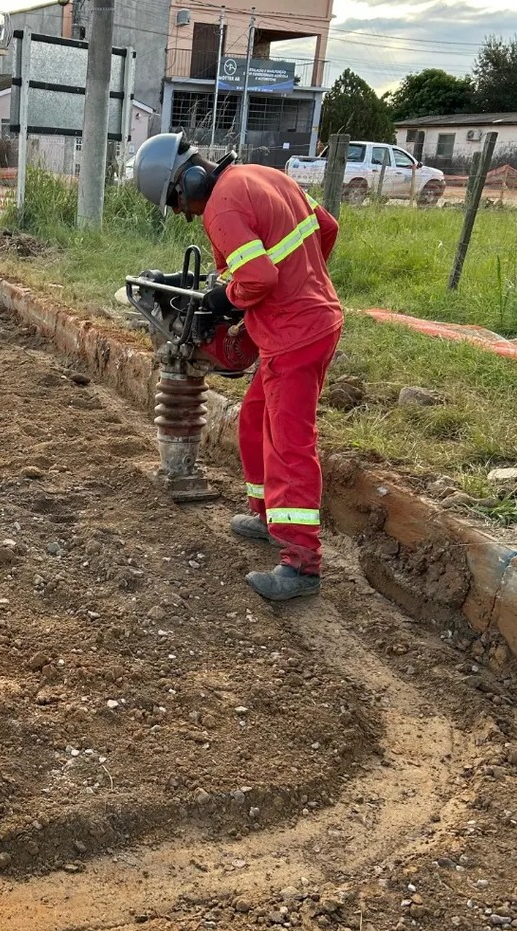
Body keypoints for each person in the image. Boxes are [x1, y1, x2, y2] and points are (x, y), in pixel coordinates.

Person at [132, 135, 342, 601]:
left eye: (178, 203)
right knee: (254, 421)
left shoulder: (221, 207)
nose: (185, 213)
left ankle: (301, 564)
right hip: (308, 323)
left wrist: (224, 301)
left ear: (185, 181)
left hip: (295, 336)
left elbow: (257, 278)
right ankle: (268, 516)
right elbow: (326, 228)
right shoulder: (267, 176)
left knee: (290, 444)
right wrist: (299, 284)